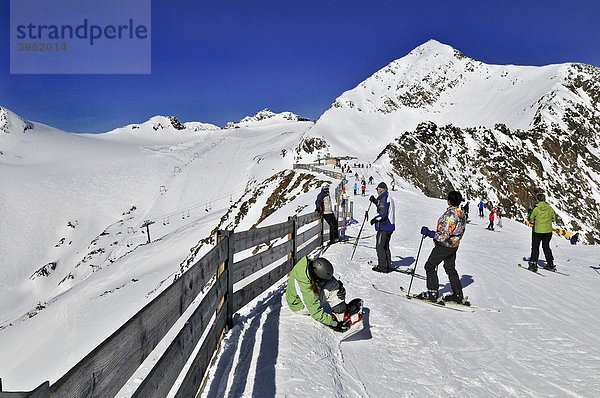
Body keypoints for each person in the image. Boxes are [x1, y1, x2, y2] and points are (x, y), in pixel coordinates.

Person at [418, 191, 468, 305]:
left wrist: (430, 233)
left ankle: (432, 293)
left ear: (449, 201)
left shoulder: (451, 215)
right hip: (454, 245)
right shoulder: (462, 214)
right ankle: (457, 295)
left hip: (444, 245)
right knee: (449, 267)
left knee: (430, 266)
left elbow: (443, 235)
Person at [286, 256, 352, 333]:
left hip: (297, 300)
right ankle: (341, 317)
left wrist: (338, 285)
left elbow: (326, 275)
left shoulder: (310, 265)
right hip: (300, 306)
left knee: (334, 284)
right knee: (333, 286)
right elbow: (315, 312)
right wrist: (334, 323)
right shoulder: (305, 285)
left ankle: (340, 308)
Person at [369, 182, 395, 273]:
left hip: (384, 226)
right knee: (385, 246)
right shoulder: (386, 198)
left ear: (381, 190)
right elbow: (382, 208)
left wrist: (375, 219)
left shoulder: (384, 198)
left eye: (377, 189)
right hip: (389, 226)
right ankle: (387, 265)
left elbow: (383, 214)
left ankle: (383, 267)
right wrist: (375, 202)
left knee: (380, 246)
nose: (377, 191)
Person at [527, 193, 556, 272]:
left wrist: (529, 213)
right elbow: (554, 219)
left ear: (537, 200)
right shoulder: (549, 208)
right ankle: (550, 264)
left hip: (537, 231)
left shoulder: (536, 209)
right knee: (546, 247)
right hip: (548, 231)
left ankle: (533, 264)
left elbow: (530, 219)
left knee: (535, 247)